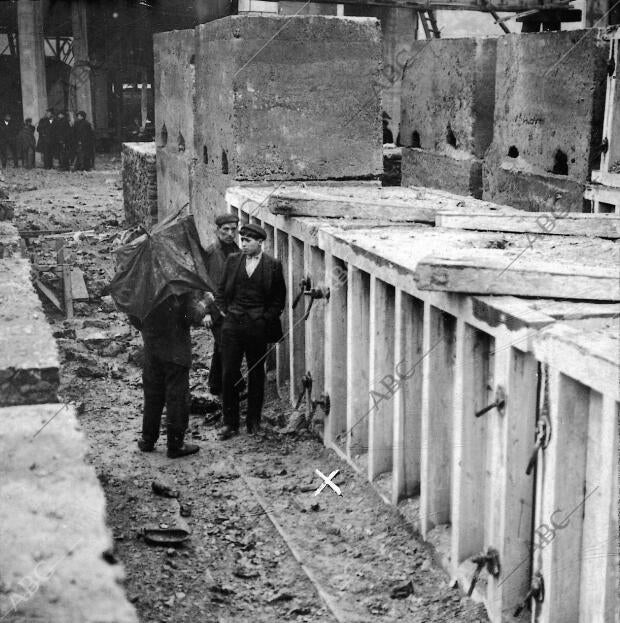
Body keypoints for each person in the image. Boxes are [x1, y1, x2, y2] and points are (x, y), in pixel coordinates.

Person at [214, 223, 286, 439]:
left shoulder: (272, 265)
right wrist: (226, 313)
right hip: (233, 326)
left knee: (256, 374)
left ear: (260, 242)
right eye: (242, 240)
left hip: (257, 328)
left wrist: (264, 319)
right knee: (229, 374)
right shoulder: (233, 261)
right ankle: (230, 423)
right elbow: (220, 290)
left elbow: (278, 299)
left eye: (248, 241)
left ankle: (253, 422)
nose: (243, 244)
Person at [131, 292, 208, 458]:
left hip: (152, 350)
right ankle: (175, 445)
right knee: (177, 398)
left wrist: (150, 330)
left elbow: (134, 318)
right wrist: (205, 302)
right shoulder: (179, 286)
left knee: (152, 395)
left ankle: (147, 440)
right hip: (176, 351)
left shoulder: (142, 286)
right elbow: (191, 317)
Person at [201, 214, 240, 397]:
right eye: (226, 229)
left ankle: (215, 384)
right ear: (217, 231)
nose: (230, 233)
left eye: (233, 229)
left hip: (231, 310)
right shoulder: (211, 253)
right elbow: (204, 283)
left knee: (221, 346)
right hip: (216, 311)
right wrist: (206, 312)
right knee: (227, 348)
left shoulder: (236, 250)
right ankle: (230, 389)